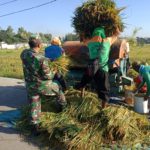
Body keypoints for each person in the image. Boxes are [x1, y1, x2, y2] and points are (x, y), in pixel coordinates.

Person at [20, 37, 67, 134]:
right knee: (59, 89)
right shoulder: (42, 58)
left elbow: (32, 58)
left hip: (30, 85)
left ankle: (35, 126)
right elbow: (48, 76)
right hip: (43, 85)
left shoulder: (24, 54)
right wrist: (54, 71)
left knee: (35, 102)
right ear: (39, 45)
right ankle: (63, 107)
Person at [76, 27, 120, 108]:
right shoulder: (107, 41)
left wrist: (85, 34)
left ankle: (81, 96)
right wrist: (115, 27)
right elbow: (116, 34)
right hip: (103, 69)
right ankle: (103, 108)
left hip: (92, 68)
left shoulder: (89, 42)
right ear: (103, 33)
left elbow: (82, 40)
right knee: (105, 90)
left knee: (83, 82)